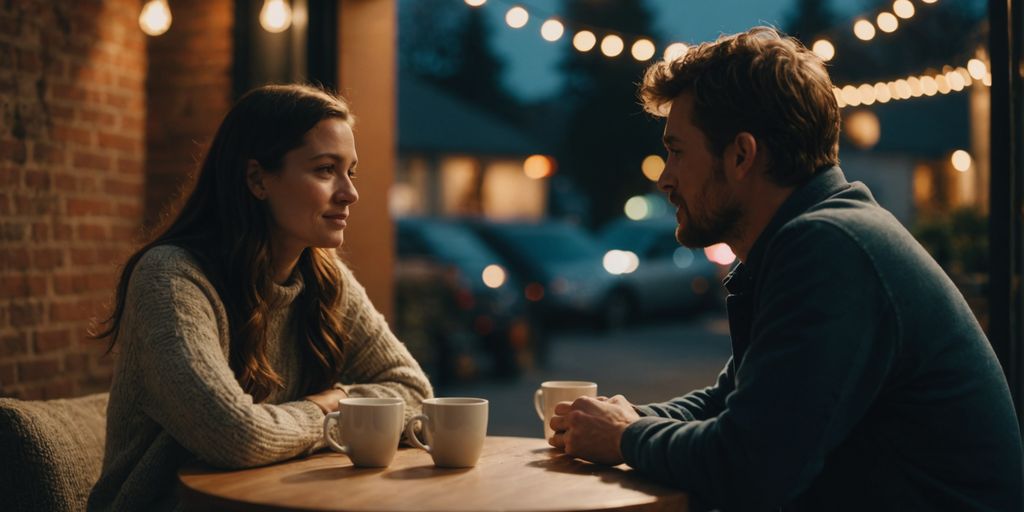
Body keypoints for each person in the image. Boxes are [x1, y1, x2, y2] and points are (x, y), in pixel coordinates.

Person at [549, 27, 1023, 511]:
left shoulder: (831, 248)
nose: (666, 179)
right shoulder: (818, 237)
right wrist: (623, 418)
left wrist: (627, 436)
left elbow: (748, 465)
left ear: (741, 155)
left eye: (676, 151)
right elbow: (730, 400)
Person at [87, 84, 433, 511]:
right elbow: (235, 435)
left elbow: (414, 391)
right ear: (257, 179)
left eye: (351, 172)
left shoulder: (325, 278)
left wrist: (338, 400)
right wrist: (326, 410)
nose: (350, 192)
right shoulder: (170, 279)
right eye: (326, 170)